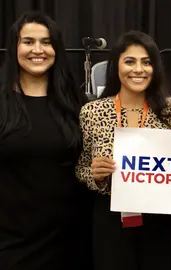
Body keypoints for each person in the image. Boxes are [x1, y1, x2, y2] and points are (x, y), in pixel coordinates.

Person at [75, 31, 171, 270]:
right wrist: (94, 174)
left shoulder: (168, 113)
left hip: (158, 219)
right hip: (110, 217)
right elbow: (80, 168)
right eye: (130, 61)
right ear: (117, 66)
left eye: (146, 62)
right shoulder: (92, 112)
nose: (138, 70)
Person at [0, 11, 88, 270]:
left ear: (56, 48)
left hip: (69, 242)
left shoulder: (75, 103)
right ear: (14, 47)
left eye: (46, 42)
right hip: (10, 242)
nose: (37, 50)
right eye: (28, 42)